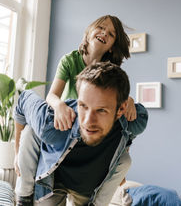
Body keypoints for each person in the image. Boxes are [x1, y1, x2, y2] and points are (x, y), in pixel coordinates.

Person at [14, 15, 136, 204]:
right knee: (31, 130)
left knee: (125, 159)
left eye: (111, 34)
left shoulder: (110, 73)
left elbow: (120, 124)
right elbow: (51, 96)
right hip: (66, 128)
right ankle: (25, 194)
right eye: (101, 28)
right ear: (88, 33)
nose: (104, 33)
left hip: (89, 142)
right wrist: (59, 105)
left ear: (112, 46)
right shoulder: (70, 60)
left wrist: (129, 101)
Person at [14, 62, 148, 205]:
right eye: (83, 106)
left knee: (125, 160)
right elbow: (23, 99)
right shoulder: (52, 125)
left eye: (101, 110)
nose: (89, 121)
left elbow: (129, 136)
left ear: (120, 110)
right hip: (54, 179)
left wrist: (119, 158)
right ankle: (24, 197)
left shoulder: (135, 120)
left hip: (87, 184)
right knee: (30, 130)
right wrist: (16, 153)